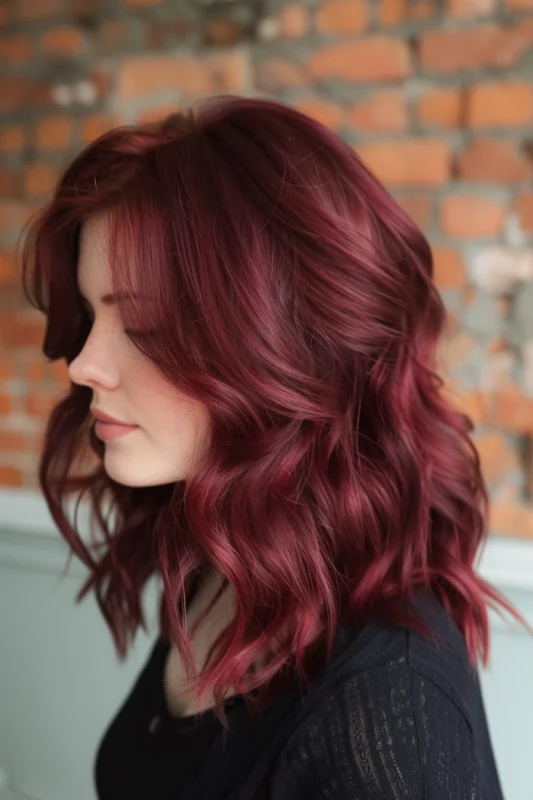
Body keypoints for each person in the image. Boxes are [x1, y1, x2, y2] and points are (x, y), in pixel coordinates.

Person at [21, 94, 529, 800]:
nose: (82, 365)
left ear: (286, 350)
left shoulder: (385, 728)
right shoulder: (225, 562)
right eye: (91, 313)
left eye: (141, 326)